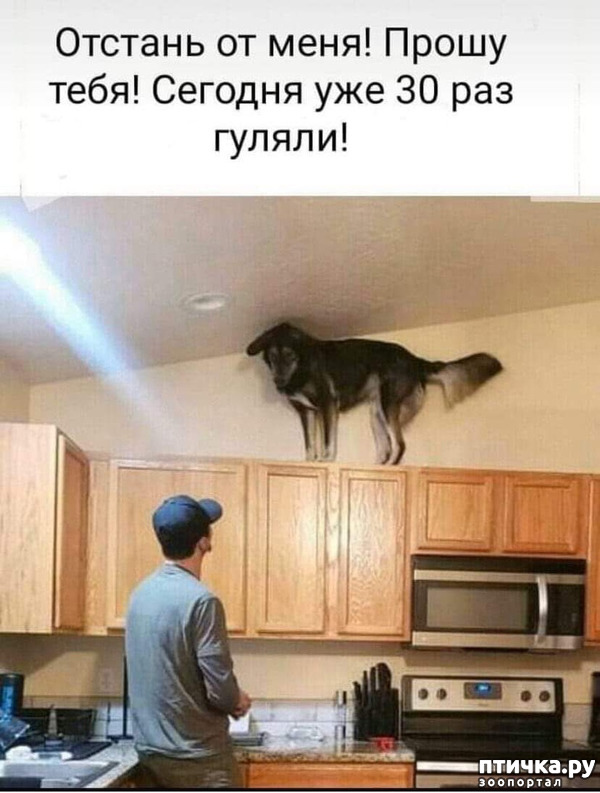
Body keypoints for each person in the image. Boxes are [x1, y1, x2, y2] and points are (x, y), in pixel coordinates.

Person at [125, 494, 251, 789]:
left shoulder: (140, 595)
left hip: (150, 757)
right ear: (204, 542)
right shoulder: (202, 601)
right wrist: (237, 700)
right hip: (199, 762)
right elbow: (221, 690)